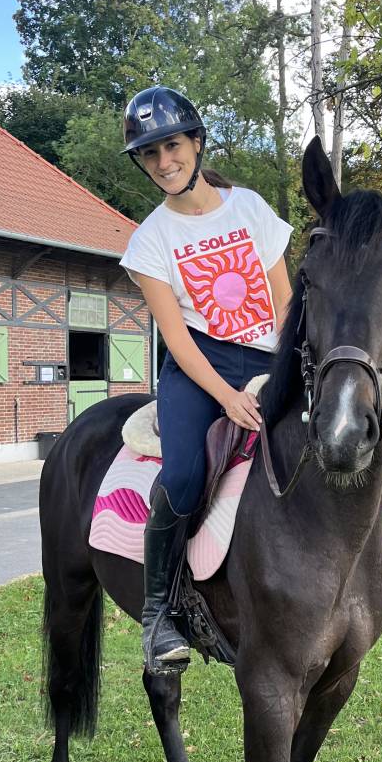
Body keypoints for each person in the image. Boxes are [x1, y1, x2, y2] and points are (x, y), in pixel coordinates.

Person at [119, 86, 293, 673]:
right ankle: (158, 612)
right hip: (200, 366)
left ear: (195, 142)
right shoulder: (150, 242)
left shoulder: (249, 209)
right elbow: (176, 336)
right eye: (150, 154)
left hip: (268, 354)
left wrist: (285, 366)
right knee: (187, 471)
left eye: (172, 145)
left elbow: (285, 299)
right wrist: (225, 397)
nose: (164, 162)